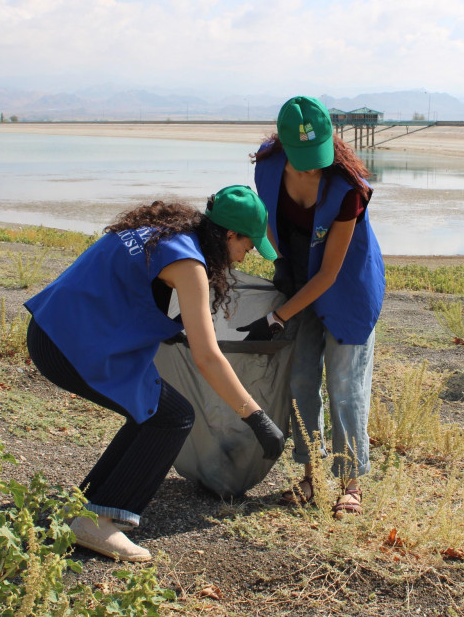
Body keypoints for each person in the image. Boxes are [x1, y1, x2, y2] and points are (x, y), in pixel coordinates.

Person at [24, 185, 285, 562]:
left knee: (150, 410)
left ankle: (84, 508)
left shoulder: (165, 233)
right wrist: (256, 417)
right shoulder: (189, 264)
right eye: (247, 246)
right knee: (172, 417)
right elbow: (208, 357)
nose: (244, 257)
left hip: (52, 329)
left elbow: (124, 286)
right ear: (230, 235)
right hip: (71, 345)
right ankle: (98, 520)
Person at [241, 96, 385, 519]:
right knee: (301, 379)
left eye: (317, 157)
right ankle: (309, 475)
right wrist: (271, 267)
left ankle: (351, 483)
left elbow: (330, 275)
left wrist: (278, 316)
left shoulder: (348, 189)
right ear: (283, 145)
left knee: (344, 386)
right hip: (300, 283)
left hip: (346, 288)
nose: (311, 168)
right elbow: (269, 229)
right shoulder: (267, 168)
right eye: (301, 159)